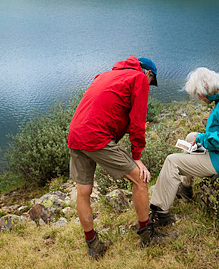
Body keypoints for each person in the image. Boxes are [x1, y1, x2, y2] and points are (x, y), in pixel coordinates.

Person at [67, 56, 158, 258]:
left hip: (75, 133)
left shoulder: (105, 75)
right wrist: (137, 157)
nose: (149, 88)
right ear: (148, 73)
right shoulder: (139, 78)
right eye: (151, 83)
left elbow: (107, 109)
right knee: (140, 180)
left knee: (83, 191)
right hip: (95, 136)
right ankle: (148, 236)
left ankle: (94, 246)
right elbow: (137, 121)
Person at [149, 67, 219, 227]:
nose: (199, 98)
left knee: (172, 161)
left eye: (199, 94)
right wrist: (201, 138)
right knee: (191, 137)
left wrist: (204, 138)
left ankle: (160, 215)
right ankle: (186, 188)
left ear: (206, 90)